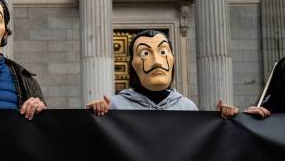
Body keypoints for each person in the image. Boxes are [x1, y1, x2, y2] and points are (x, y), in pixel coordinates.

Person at [87, 29, 238, 119]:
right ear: (132, 63)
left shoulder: (187, 107)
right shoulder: (115, 106)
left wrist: (225, 120)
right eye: (145, 53)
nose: (157, 61)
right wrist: (94, 114)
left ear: (173, 60)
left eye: (163, 51)